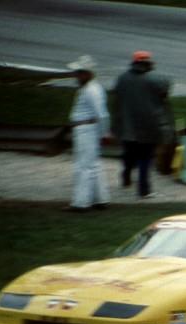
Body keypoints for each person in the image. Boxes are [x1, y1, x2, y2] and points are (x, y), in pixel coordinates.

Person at [112, 50, 173, 198]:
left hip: (128, 126)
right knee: (146, 157)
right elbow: (165, 92)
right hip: (149, 127)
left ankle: (126, 175)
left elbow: (117, 97)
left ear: (134, 63)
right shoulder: (157, 79)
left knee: (128, 153)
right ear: (149, 63)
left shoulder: (122, 78)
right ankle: (143, 189)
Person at [65, 54, 110, 212]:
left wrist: (104, 133)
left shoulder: (91, 90)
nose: (75, 76)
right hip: (87, 129)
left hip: (86, 130)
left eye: (78, 73)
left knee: (83, 166)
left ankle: (81, 203)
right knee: (93, 164)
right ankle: (100, 199)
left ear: (86, 73)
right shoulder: (90, 88)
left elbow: (102, 114)